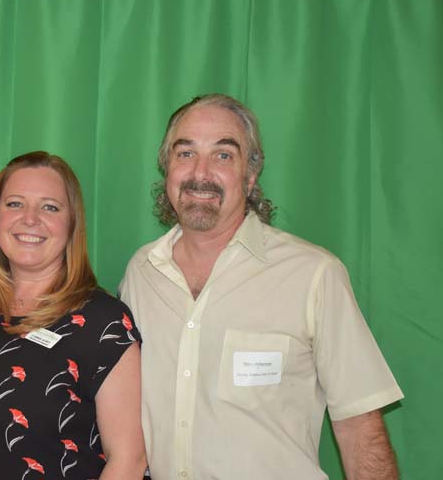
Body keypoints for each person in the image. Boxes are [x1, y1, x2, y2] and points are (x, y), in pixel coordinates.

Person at [119, 94, 404, 480]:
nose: (200, 173)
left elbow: (360, 431)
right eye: (185, 153)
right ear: (167, 168)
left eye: (223, 155)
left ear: (250, 175)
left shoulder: (314, 274)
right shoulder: (140, 273)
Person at [0, 151, 146, 479]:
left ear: (72, 223)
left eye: (50, 207)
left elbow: (129, 462)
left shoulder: (103, 323)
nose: (30, 219)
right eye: (15, 204)